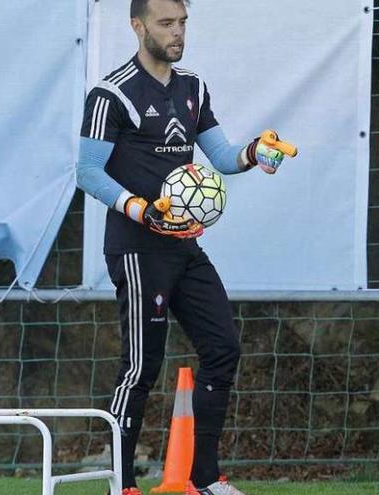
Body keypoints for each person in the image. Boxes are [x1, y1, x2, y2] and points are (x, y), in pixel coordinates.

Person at [76, 1, 292, 494]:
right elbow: (87, 172)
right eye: (166, 24)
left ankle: (204, 478)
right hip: (136, 248)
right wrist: (142, 208)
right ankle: (123, 485)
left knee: (222, 348)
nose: (177, 34)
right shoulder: (111, 94)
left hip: (184, 246)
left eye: (183, 23)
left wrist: (256, 152)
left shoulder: (192, 87)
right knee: (141, 367)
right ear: (138, 26)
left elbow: (220, 156)